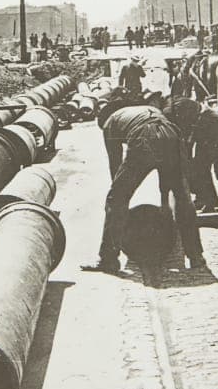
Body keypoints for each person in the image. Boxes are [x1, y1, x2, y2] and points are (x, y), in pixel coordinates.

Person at [84, 102, 205, 275]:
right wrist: (164, 202)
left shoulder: (109, 123)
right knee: (182, 196)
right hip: (172, 133)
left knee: (116, 199)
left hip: (144, 136)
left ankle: (108, 259)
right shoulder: (139, 110)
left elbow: (115, 166)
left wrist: (120, 196)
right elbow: (166, 177)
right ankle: (195, 256)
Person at [171, 97, 218, 211]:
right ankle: (211, 202)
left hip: (214, 125)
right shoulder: (175, 109)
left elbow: (186, 139)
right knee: (201, 168)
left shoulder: (173, 111)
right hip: (204, 126)